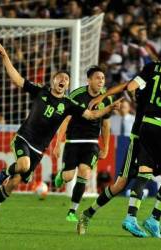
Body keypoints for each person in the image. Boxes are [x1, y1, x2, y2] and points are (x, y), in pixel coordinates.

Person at [0, 41, 122, 222]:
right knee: (23, 165)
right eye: (59, 77)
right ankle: (3, 174)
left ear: (68, 86)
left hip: (39, 149)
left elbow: (92, 115)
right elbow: (17, 79)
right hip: (24, 137)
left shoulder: (69, 104)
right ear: (53, 81)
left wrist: (108, 109)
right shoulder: (41, 91)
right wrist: (5, 57)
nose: (63, 80)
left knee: (14, 183)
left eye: (66, 79)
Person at [77, 36, 161, 238]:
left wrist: (105, 96)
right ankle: (89, 214)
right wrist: (105, 97)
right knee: (125, 182)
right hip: (142, 134)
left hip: (146, 129)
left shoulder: (151, 71)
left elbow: (127, 86)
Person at [52, 66, 112, 222]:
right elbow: (66, 119)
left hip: (92, 142)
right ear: (89, 80)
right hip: (73, 141)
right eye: (98, 78)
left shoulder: (106, 98)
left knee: (85, 172)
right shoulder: (76, 95)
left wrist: (105, 147)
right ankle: (61, 174)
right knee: (68, 176)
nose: (101, 81)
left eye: (103, 78)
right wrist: (58, 143)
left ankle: (72, 210)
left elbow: (105, 125)